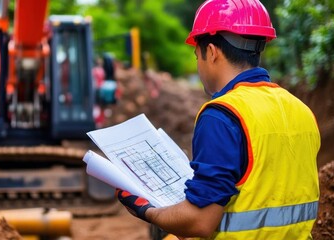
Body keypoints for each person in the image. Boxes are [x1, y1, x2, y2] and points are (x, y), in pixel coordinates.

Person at [116, 0, 321, 239]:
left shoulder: (222, 114)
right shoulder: (301, 109)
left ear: (211, 52)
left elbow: (200, 222)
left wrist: (146, 210)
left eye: (197, 56)